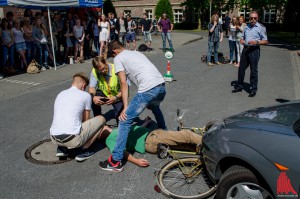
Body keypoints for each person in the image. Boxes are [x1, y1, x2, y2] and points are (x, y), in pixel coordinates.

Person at [99, 40, 167, 172]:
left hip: (148, 89)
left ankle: (115, 161)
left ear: (114, 52)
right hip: (161, 86)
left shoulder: (118, 58)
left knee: (124, 120)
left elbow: (123, 83)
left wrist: (125, 107)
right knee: (155, 108)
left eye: (112, 56)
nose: (113, 58)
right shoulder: (136, 53)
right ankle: (164, 133)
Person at [50, 72, 108, 162]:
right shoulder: (85, 95)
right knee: (101, 119)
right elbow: (86, 120)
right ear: (84, 85)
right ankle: (83, 150)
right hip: (72, 140)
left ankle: (62, 149)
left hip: (54, 137)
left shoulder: (61, 93)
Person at [104, 117, 202, 167]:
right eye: (102, 127)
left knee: (189, 147)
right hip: (151, 140)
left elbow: (135, 131)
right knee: (186, 135)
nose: (104, 125)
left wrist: (146, 123)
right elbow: (120, 151)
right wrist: (136, 161)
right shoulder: (109, 139)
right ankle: (212, 144)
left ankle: (209, 155)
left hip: (153, 136)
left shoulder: (117, 129)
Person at [232, 11, 268, 97]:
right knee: (241, 68)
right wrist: (241, 40)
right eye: (251, 18)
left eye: (255, 18)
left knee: (253, 70)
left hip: (254, 50)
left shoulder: (261, 27)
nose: (253, 20)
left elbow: (266, 41)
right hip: (245, 49)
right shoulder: (246, 27)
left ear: (257, 18)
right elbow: (243, 37)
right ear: (249, 18)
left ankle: (253, 89)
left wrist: (256, 42)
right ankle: (239, 86)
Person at [89, 56, 123, 122]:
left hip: (117, 95)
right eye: (100, 70)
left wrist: (115, 98)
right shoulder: (94, 71)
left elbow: (125, 90)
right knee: (92, 98)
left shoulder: (117, 69)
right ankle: (99, 122)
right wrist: (93, 97)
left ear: (106, 62)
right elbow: (91, 88)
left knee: (121, 120)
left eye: (104, 68)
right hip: (104, 93)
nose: (103, 71)